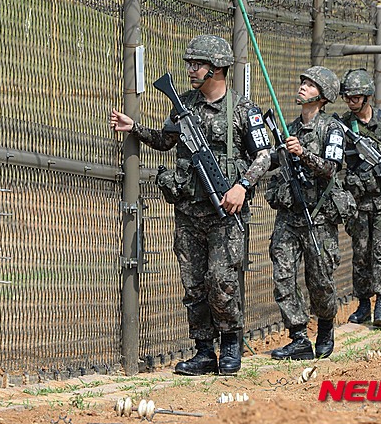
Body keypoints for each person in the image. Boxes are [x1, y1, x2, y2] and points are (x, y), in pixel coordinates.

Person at [111, 35, 271, 376]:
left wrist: (242, 186)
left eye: (196, 64)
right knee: (193, 284)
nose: (191, 69)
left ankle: (230, 344)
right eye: (190, 63)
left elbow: (264, 155)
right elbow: (166, 141)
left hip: (226, 212)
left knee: (221, 281)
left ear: (216, 68)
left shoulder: (243, 110)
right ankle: (203, 351)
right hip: (189, 211)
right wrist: (135, 129)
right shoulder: (183, 105)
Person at [265, 66, 352, 361]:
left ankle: (325, 326)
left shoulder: (332, 128)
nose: (302, 87)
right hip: (290, 217)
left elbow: (331, 168)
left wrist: (304, 154)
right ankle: (299, 337)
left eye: (310, 84)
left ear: (324, 95)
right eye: (302, 81)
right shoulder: (289, 129)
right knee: (283, 275)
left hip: (318, 217)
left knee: (320, 280)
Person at [339, 68, 381, 328]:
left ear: (367, 97)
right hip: (358, 202)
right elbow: (338, 162)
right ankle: (363, 303)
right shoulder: (343, 125)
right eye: (347, 97)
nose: (350, 102)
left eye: (355, 97)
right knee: (361, 254)